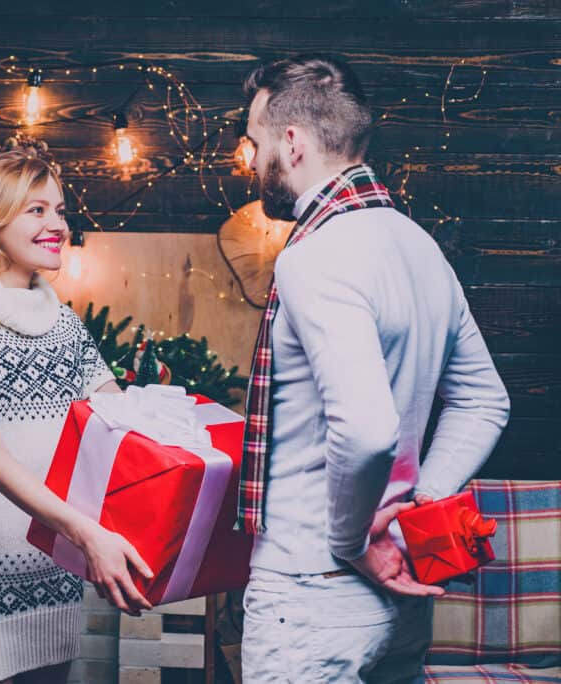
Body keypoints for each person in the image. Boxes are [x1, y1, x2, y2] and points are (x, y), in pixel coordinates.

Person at [234, 54, 511, 682]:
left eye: (255, 143)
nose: (252, 162)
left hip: (313, 590)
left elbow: (366, 431)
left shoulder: (316, 256)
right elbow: (484, 400)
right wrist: (418, 505)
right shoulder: (419, 246)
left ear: (293, 142)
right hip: (396, 589)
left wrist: (355, 540)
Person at [0, 149, 154, 684]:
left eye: (60, 211)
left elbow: (119, 426)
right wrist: (85, 534)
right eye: (37, 211)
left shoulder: (64, 325)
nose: (58, 225)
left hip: (53, 583)